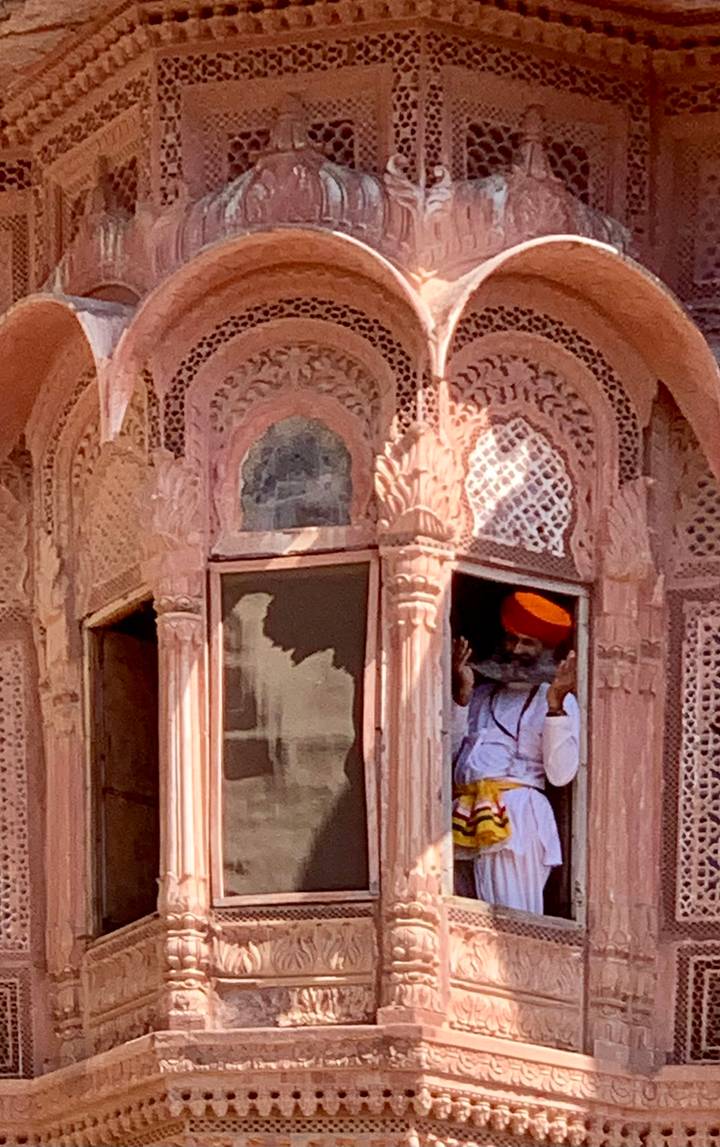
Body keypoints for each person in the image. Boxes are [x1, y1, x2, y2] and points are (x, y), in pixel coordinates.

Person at [451, 590, 580, 915]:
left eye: (528, 643)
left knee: (508, 920)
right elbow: (450, 758)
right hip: (465, 814)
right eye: (512, 639)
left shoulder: (553, 700)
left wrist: (555, 707)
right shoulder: (480, 694)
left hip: (517, 818)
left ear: (547, 650)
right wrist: (462, 697)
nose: (516, 650)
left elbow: (561, 773)